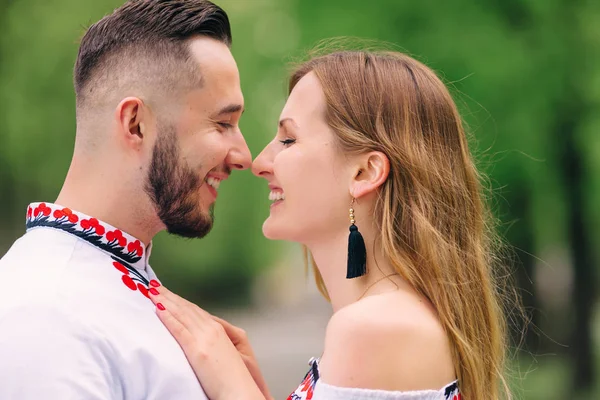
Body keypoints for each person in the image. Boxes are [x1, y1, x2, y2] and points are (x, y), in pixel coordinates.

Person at [148, 49, 514, 400]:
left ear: (364, 172)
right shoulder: (392, 320)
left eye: (289, 139)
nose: (260, 162)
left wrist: (233, 389)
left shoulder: (376, 328)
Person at [0, 1, 256, 399]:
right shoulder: (46, 312)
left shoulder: (111, 281)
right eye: (222, 124)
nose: (244, 156)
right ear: (135, 123)